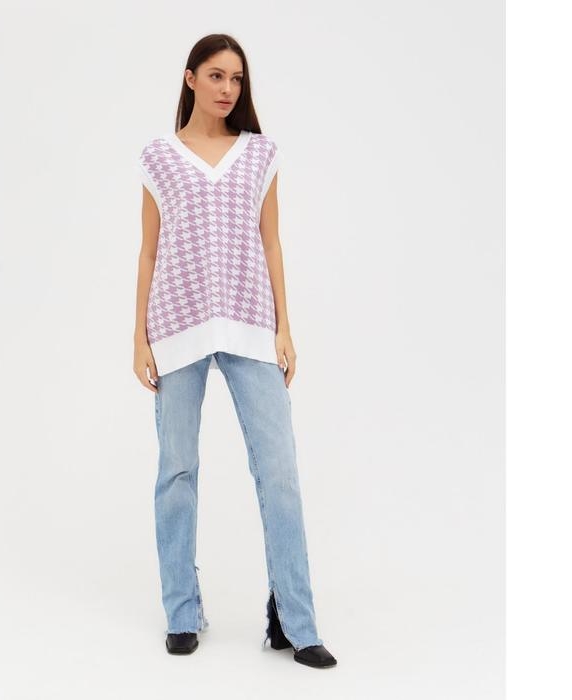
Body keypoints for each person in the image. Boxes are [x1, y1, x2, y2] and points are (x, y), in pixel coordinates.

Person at [133, 33, 337, 669]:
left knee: (279, 473)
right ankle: (181, 612)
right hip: (177, 326)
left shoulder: (259, 154)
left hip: (251, 326)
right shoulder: (159, 157)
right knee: (177, 472)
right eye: (217, 75)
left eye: (237, 79)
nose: (228, 88)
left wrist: (285, 327)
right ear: (190, 78)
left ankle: (295, 621)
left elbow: (271, 242)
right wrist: (138, 336)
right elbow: (149, 250)